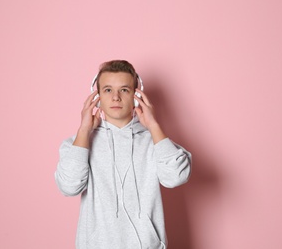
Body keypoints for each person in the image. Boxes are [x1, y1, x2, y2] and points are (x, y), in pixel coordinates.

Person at [55, 60, 192, 249]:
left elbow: (176, 177)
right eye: (108, 90)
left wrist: (153, 126)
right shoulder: (78, 143)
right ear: (97, 97)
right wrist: (84, 130)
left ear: (137, 96)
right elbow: (69, 186)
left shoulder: (155, 141)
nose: (116, 97)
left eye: (125, 90)